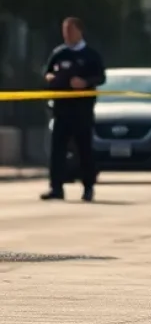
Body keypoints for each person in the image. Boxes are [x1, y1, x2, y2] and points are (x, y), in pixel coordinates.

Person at [41, 17, 106, 202]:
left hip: (82, 111)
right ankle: (56, 188)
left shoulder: (90, 55)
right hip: (61, 110)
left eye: (70, 30)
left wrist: (85, 82)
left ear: (79, 31)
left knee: (84, 150)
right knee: (57, 151)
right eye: (64, 30)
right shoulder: (59, 53)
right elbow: (46, 72)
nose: (66, 34)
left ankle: (88, 188)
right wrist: (50, 78)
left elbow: (101, 77)